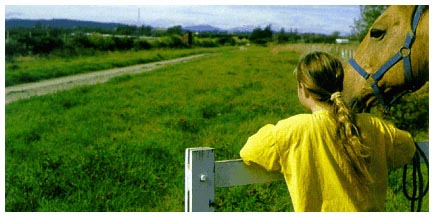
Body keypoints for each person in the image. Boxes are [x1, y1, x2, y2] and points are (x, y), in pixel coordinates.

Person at [240, 51, 416, 212]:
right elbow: (407, 147)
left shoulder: (293, 130)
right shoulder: (375, 126)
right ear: (340, 85)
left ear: (303, 88)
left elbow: (249, 152)